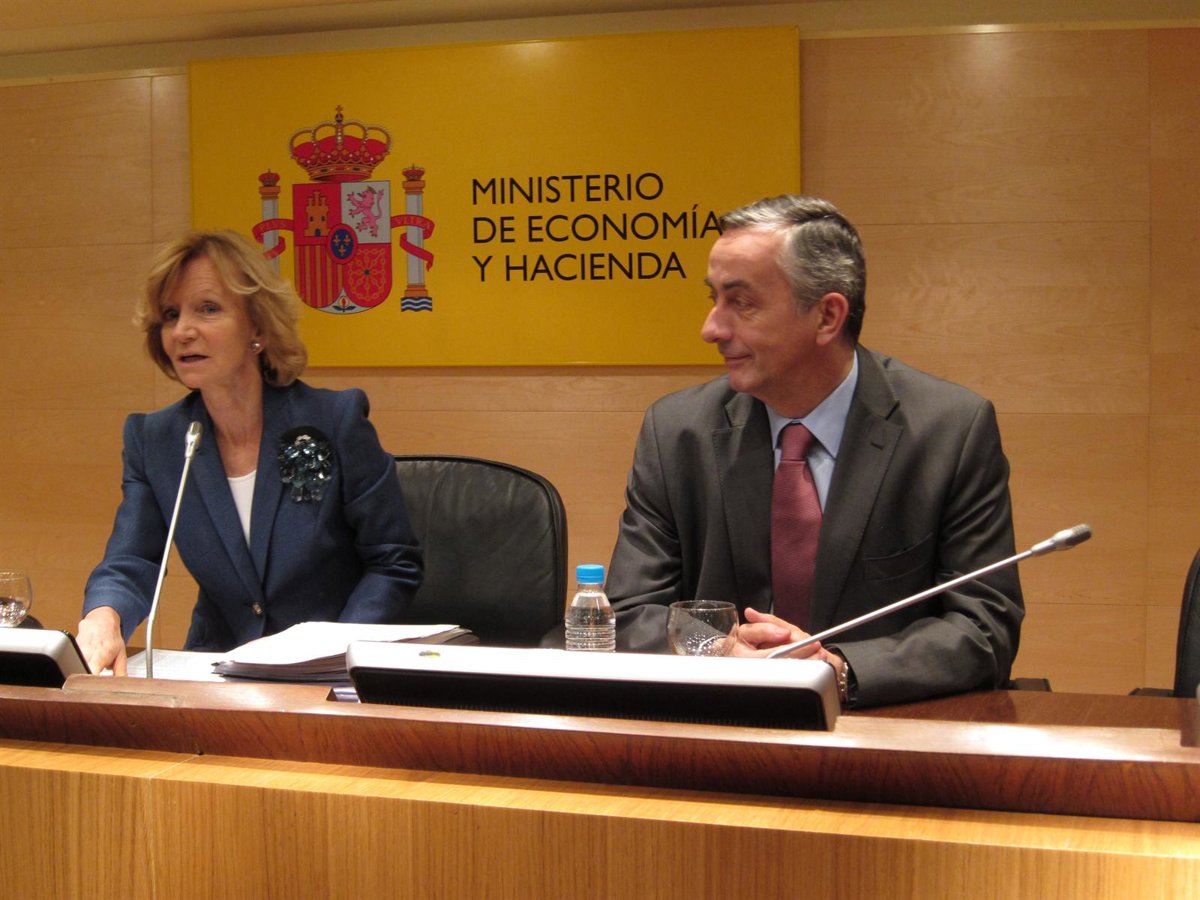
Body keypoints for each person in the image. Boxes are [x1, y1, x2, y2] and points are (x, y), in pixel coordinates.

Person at [604, 195, 1024, 709]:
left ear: (827, 316)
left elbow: (984, 625)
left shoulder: (948, 430)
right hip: (717, 724)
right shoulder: (676, 432)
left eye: (741, 302)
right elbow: (629, 612)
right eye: (714, 299)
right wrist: (720, 651)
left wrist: (836, 671)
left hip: (883, 728)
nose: (711, 329)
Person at [77, 230, 423, 675]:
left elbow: (393, 561)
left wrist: (337, 653)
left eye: (208, 309)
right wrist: (104, 616)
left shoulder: (334, 420)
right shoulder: (157, 439)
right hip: (216, 670)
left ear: (257, 327)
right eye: (170, 315)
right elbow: (133, 559)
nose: (183, 331)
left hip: (332, 673)